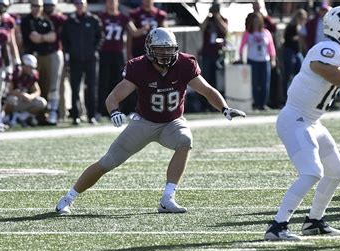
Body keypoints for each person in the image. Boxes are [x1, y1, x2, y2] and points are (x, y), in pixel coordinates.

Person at [55, 28, 246, 215]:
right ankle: (68, 198)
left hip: (173, 122)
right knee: (108, 162)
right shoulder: (138, 67)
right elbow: (112, 98)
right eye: (160, 49)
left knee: (185, 140)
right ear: (149, 49)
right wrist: (114, 112)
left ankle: (167, 198)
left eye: (169, 49)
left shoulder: (185, 63)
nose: (165, 53)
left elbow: (207, 90)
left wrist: (224, 108)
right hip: (144, 122)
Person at [264, 6, 340, 241]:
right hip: (295, 118)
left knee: (337, 170)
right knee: (312, 172)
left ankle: (314, 221)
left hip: (312, 121)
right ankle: (277, 226)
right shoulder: (326, 50)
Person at [97, 0, 146, 118]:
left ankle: (120, 109)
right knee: (103, 82)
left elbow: (133, 32)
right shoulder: (101, 17)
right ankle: (100, 111)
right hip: (104, 53)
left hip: (118, 53)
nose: (111, 4)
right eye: (109, 2)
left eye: (113, 2)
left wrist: (145, 28)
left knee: (119, 82)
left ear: (117, 3)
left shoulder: (123, 17)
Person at [61, 0, 103, 125]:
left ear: (85, 5)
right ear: (75, 5)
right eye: (77, 3)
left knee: (91, 88)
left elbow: (100, 37)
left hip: (91, 59)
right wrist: (71, 51)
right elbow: (64, 39)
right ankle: (76, 116)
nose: (79, 6)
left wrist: (93, 50)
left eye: (81, 3)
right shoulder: (69, 21)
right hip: (75, 59)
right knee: (75, 88)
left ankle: (91, 115)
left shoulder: (93, 20)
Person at [122, 0, 167, 115]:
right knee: (135, 80)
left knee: (157, 80)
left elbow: (167, 33)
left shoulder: (159, 14)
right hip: (139, 51)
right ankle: (134, 108)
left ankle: (157, 107)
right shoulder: (135, 14)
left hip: (156, 53)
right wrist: (129, 53)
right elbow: (131, 35)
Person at [240, 12, 276, 111]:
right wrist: (241, 58)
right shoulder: (248, 33)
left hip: (265, 60)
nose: (256, 23)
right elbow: (242, 46)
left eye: (257, 21)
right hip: (252, 60)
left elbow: (271, 47)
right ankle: (256, 104)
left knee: (265, 83)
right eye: (254, 21)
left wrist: (273, 59)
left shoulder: (266, 32)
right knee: (255, 84)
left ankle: (263, 104)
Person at [199, 0, 228, 112]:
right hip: (207, 53)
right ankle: (205, 105)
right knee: (206, 80)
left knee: (218, 81)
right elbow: (201, 28)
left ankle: (217, 105)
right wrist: (208, 15)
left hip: (218, 54)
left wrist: (217, 16)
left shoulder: (223, 19)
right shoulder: (208, 20)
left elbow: (225, 29)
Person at [5, 54, 47, 127]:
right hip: (15, 100)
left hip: (24, 100)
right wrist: (20, 94)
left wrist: (30, 96)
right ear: (24, 65)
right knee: (11, 100)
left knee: (41, 102)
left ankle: (22, 117)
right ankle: (9, 117)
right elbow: (8, 91)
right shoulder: (15, 73)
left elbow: (37, 91)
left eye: (33, 67)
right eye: (30, 67)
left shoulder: (32, 75)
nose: (31, 69)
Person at [282, 9, 307, 102]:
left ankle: (298, 96)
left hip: (297, 52)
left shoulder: (301, 27)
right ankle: (286, 97)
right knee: (288, 75)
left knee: (300, 74)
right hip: (290, 51)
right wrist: (299, 37)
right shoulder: (291, 26)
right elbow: (287, 39)